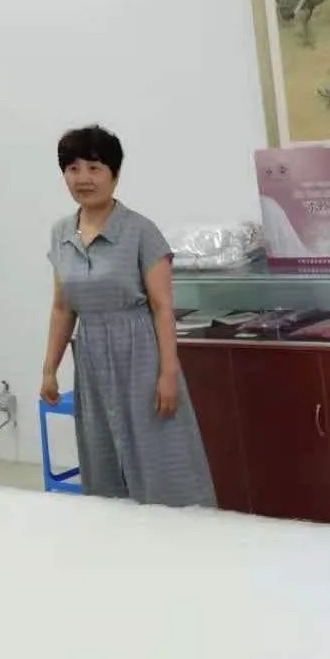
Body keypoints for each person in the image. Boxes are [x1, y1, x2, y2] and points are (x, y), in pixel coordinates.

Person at [40, 125, 215, 507]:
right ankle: (118, 538)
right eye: (72, 168)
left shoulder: (140, 231)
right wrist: (49, 369)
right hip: (91, 357)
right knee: (103, 456)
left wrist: (168, 374)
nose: (83, 178)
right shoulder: (60, 233)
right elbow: (62, 308)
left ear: (114, 174)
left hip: (140, 356)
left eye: (94, 168)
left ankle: (183, 534)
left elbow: (162, 307)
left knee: (160, 458)